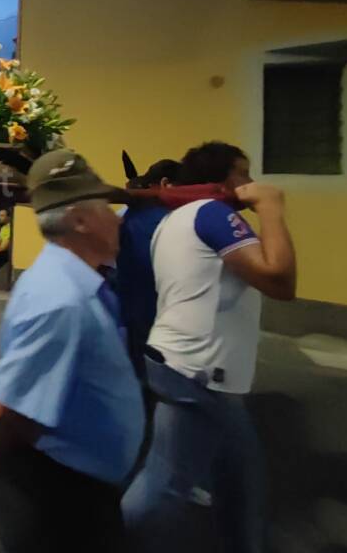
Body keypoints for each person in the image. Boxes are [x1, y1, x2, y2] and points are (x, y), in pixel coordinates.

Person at [122, 142, 297, 553]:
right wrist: (271, 207)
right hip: (199, 372)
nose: (252, 183)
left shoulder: (177, 218)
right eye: (244, 173)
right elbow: (279, 280)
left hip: (193, 367)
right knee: (162, 489)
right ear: (223, 180)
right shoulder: (213, 214)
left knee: (241, 480)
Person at [0, 150, 143, 552]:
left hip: (80, 486)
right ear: (80, 219)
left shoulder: (74, 283)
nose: (117, 219)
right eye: (106, 208)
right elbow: (13, 413)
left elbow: (14, 386)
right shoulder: (61, 301)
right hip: (60, 498)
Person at [116, 158, 182, 377]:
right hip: (154, 312)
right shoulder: (165, 220)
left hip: (131, 309)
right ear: (166, 184)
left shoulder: (130, 214)